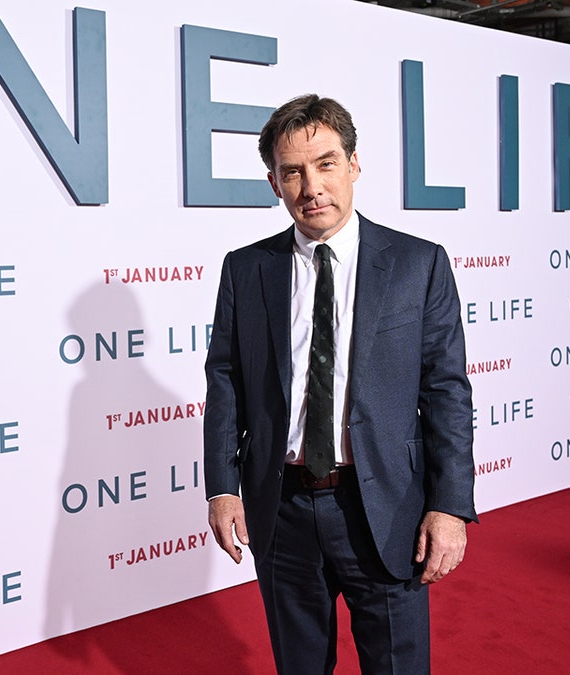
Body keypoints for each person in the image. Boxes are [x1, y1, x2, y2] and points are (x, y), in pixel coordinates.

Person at [203, 94, 477, 674]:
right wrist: (222, 487)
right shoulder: (246, 269)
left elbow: (447, 391)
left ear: (354, 165)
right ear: (274, 183)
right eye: (293, 171)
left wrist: (450, 506)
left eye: (326, 164)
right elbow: (225, 382)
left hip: (385, 505)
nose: (311, 187)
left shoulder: (418, 263)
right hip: (282, 507)